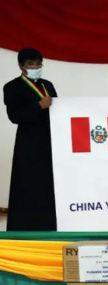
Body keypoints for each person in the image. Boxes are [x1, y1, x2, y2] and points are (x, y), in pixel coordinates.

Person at [3, 47, 57, 231]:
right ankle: (23, 228)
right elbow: (14, 116)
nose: (36, 67)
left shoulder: (48, 85)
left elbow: (58, 111)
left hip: (49, 142)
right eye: (31, 64)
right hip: (28, 143)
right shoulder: (12, 87)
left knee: (48, 185)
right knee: (26, 185)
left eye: (38, 64)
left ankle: (49, 226)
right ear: (21, 66)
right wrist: (38, 106)